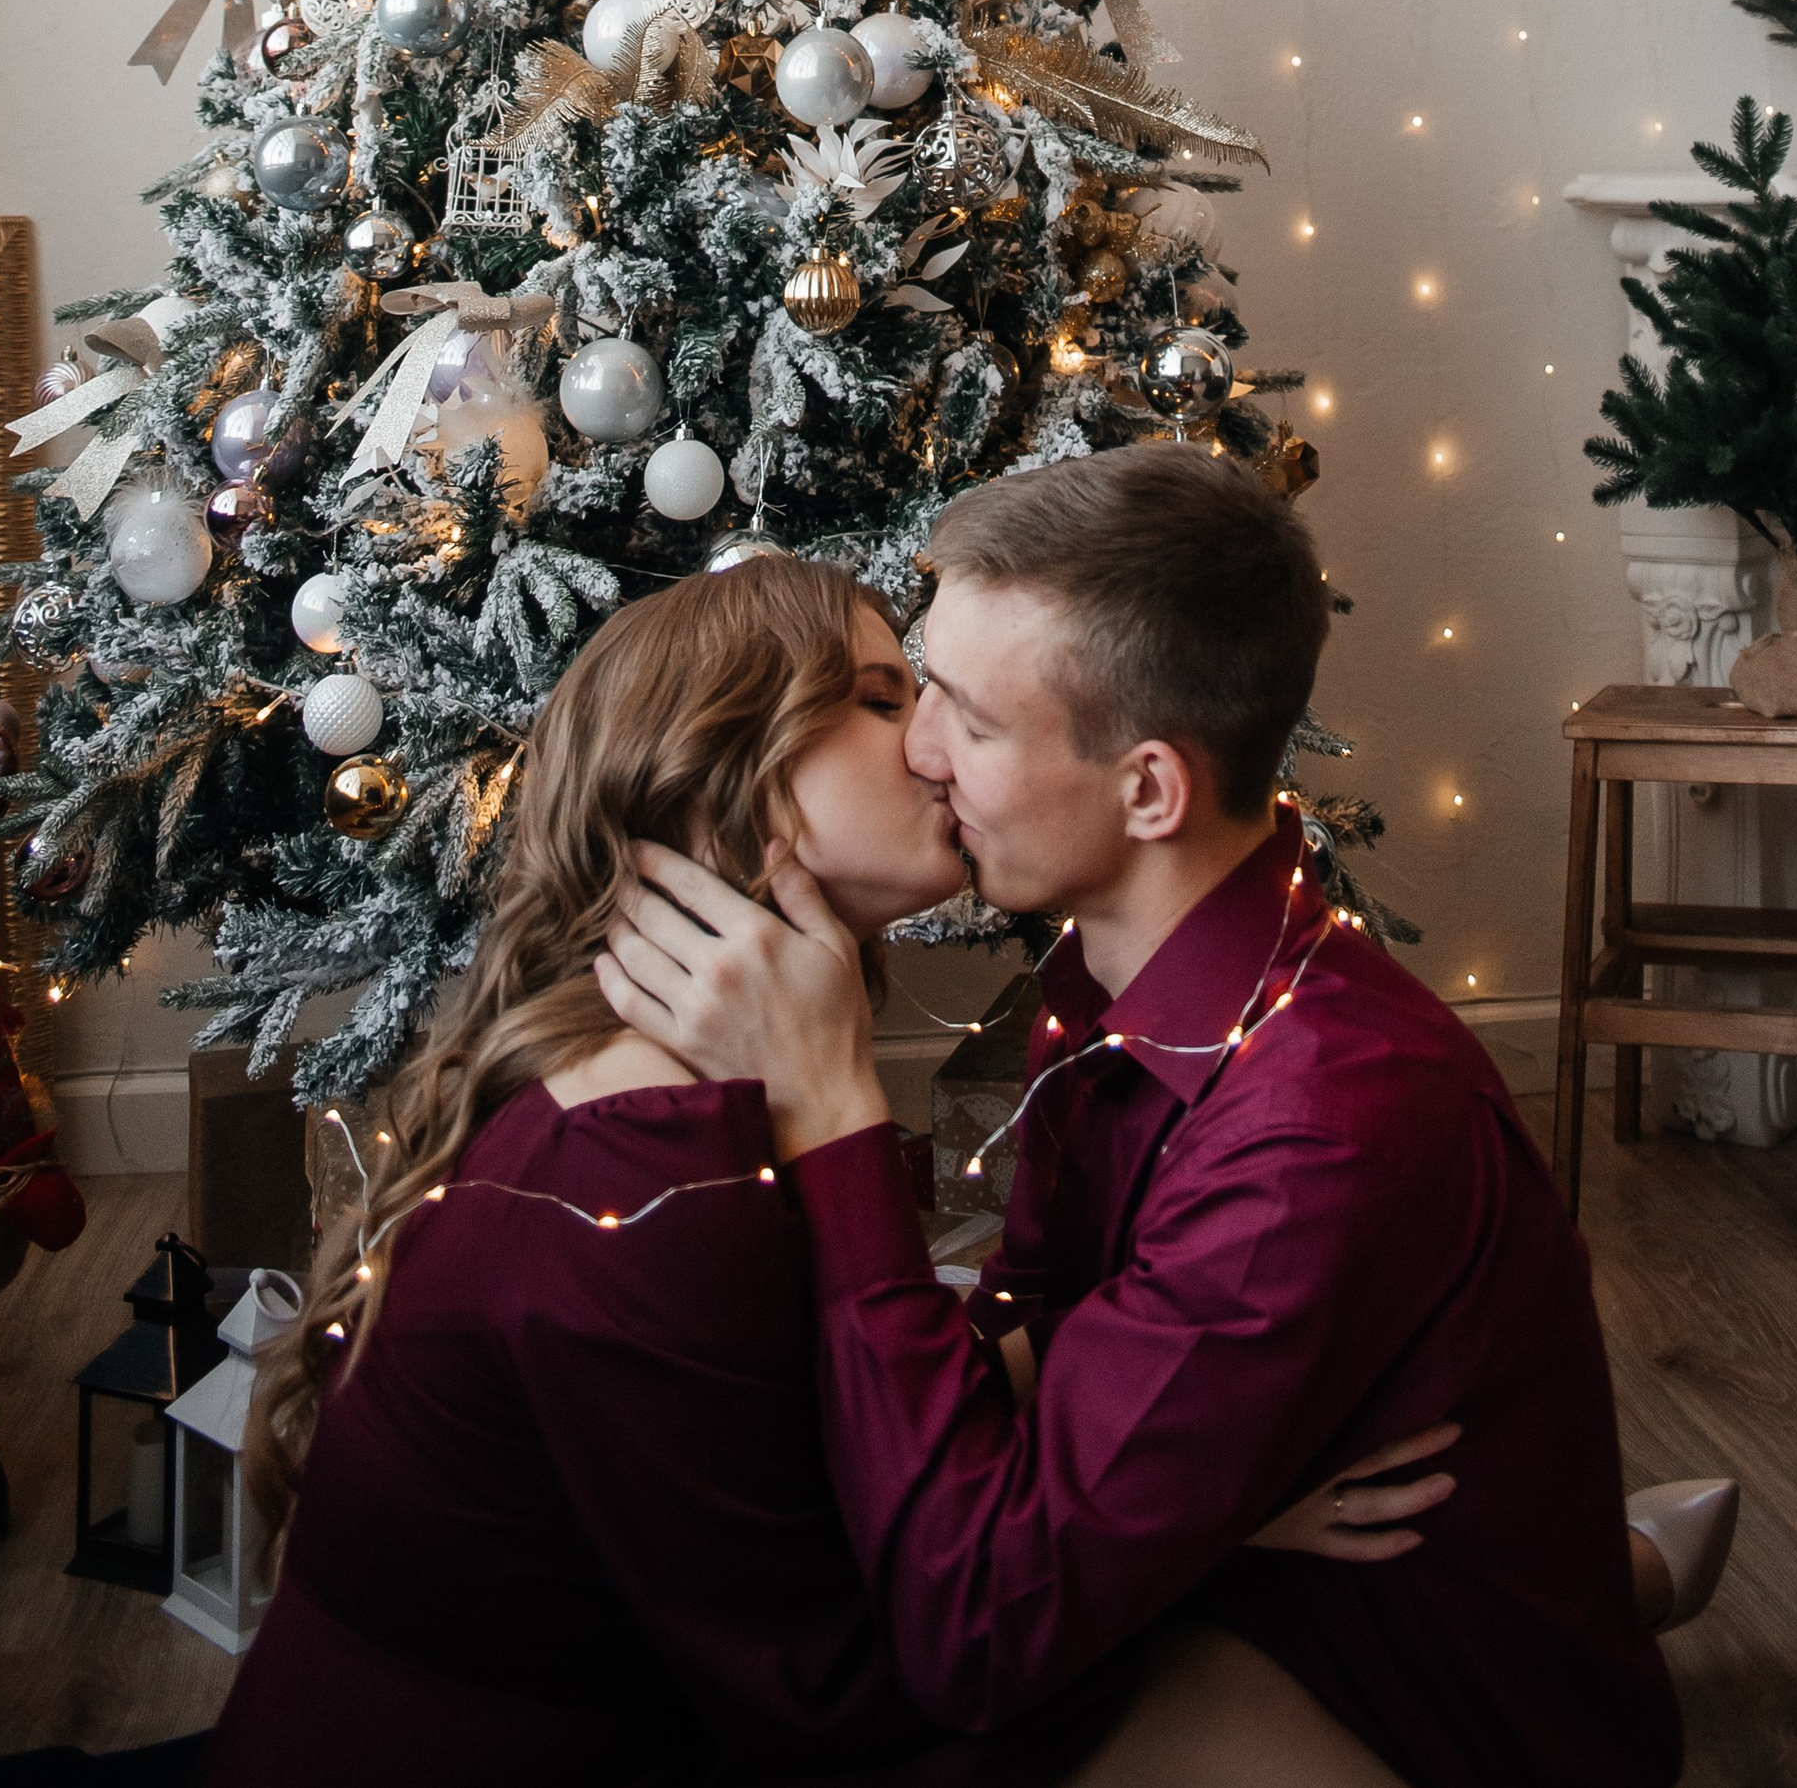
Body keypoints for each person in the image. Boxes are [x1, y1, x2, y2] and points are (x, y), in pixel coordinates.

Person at [211, 547, 1449, 1787]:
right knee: (1228, 1702)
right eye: (876, 698)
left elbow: (816, 1422)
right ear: (722, 773)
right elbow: (831, 1696)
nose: (931, 745)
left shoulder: (697, 1098)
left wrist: (1168, 1470)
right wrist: (1194, 1542)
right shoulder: (642, 1177)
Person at [599, 445, 1698, 1788]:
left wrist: (836, 1115)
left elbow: (978, 1634)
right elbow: (1037, 1323)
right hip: (1232, 1606)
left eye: (969, 715)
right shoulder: (1114, 971)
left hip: (1414, 1717)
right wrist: (1217, 1511)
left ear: (1149, 790)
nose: (919, 749)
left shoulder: (1318, 1127)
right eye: (923, 682)